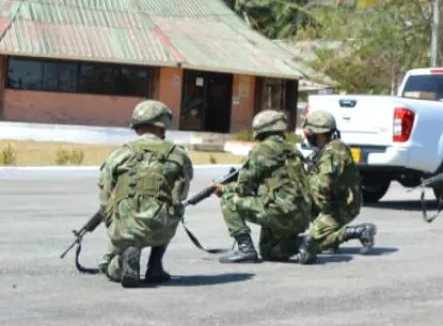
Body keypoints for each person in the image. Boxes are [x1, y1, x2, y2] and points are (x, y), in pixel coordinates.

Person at [96, 100, 194, 287]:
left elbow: (104, 188)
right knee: (174, 208)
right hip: (161, 226)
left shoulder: (121, 153)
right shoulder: (178, 155)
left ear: (136, 127)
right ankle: (155, 265)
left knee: (110, 268)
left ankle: (125, 256)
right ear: (162, 126)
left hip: (127, 227)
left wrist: (110, 217)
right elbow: (182, 192)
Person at [215, 110, 311, 263]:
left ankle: (245, 249)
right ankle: (304, 243)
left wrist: (224, 189)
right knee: (269, 252)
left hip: (280, 212)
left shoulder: (261, 150)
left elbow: (243, 188)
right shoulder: (293, 150)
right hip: (301, 216)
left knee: (228, 200)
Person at [296, 110, 377, 264]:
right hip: (331, 202)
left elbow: (323, 184)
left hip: (341, 206)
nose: (307, 136)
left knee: (307, 245)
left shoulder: (333, 152)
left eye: (309, 132)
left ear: (318, 133)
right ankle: (330, 235)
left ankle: (357, 232)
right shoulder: (327, 149)